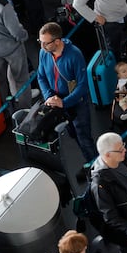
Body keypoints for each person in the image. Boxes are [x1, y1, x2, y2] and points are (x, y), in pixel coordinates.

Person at [37, 22, 98, 161]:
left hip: (76, 103)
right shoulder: (44, 53)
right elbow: (41, 76)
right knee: (73, 134)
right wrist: (49, 96)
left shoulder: (75, 55)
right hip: (57, 102)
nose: (42, 46)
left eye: (46, 43)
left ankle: (94, 166)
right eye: (41, 42)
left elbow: (82, 86)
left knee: (84, 137)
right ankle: (89, 162)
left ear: (57, 41)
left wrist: (64, 102)